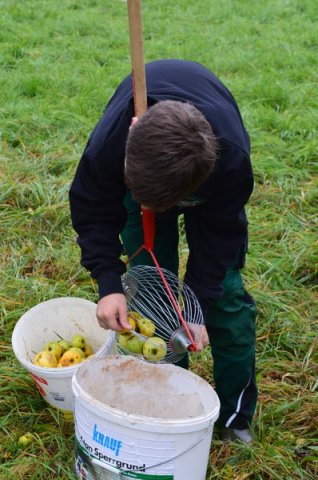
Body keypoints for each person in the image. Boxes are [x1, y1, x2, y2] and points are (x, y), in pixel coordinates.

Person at [69, 59, 257, 443]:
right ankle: (169, 397)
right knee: (153, 296)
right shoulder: (112, 145)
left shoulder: (232, 162)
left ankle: (235, 417)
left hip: (207, 180)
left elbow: (221, 236)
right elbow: (90, 207)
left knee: (227, 298)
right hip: (141, 168)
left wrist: (199, 303)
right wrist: (108, 281)